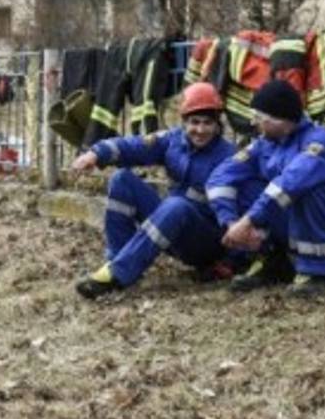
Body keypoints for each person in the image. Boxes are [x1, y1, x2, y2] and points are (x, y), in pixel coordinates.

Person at [70, 82, 237, 299]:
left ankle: (119, 275)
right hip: (171, 226)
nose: (201, 130)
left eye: (208, 123)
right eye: (194, 122)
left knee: (176, 206)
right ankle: (117, 260)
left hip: (205, 242)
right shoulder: (172, 141)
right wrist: (96, 154)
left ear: (218, 124)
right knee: (122, 180)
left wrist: (234, 261)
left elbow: (242, 211)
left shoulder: (229, 157)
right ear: (183, 121)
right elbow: (135, 146)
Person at [207, 79, 325, 295]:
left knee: (308, 189)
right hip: (292, 227)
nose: (254, 124)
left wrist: (248, 221)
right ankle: (272, 259)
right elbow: (220, 177)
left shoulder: (320, 141)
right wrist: (230, 223)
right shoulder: (265, 144)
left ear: (280, 120)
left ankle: (317, 272)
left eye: (258, 118)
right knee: (244, 184)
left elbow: (292, 182)